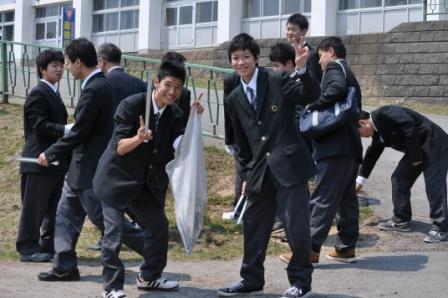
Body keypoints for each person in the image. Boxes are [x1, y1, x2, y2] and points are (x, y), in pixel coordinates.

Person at [217, 33, 319, 298]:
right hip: (260, 172)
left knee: (295, 227)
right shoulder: (234, 97)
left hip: (289, 165)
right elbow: (242, 145)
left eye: (246, 57)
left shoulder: (276, 78)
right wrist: (246, 175)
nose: (241, 62)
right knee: (253, 226)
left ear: (256, 58)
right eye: (236, 58)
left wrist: (302, 68)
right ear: (231, 61)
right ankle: (250, 279)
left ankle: (300, 283)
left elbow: (309, 94)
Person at [92, 61, 204, 298]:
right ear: (156, 82)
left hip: (144, 183)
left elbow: (178, 146)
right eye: (168, 85)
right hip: (116, 179)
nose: (173, 92)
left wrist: (194, 120)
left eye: (178, 87)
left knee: (158, 226)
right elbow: (120, 147)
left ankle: (150, 277)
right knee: (113, 235)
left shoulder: (175, 113)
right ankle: (112, 288)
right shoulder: (132, 105)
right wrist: (138, 138)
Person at [36, 38, 144, 282]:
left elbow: (79, 131)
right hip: (80, 168)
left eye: (67, 63)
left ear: (79, 62)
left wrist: (51, 153)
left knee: (104, 219)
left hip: (91, 168)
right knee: (64, 216)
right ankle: (64, 266)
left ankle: (152, 249)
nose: (66, 68)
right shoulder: (99, 84)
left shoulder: (95, 88)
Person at [280, 36, 363, 265]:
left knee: (322, 198)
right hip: (349, 147)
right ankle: (346, 248)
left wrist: (312, 106)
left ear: (331, 51)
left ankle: (308, 250)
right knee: (347, 201)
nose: (320, 62)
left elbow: (335, 89)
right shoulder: (348, 71)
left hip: (334, 147)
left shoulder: (336, 68)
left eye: (320, 56)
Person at [357, 105, 448, 243]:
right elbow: (371, 155)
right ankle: (401, 219)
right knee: (399, 178)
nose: (362, 137)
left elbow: (409, 124)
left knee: (434, 186)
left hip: (434, 144)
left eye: (359, 133)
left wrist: (416, 157)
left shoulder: (385, 113)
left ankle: (441, 228)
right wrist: (359, 182)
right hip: (416, 150)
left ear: (362, 123)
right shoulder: (378, 133)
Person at [17, 50, 69, 262]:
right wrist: (65, 129)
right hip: (38, 161)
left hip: (54, 161)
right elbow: (39, 125)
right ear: (42, 69)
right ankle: (27, 247)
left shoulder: (53, 93)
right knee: (34, 208)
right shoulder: (38, 93)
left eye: (61, 65)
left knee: (53, 207)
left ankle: (47, 246)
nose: (59, 70)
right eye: (54, 66)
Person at [286, 13, 322, 82]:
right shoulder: (286, 52)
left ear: (304, 31)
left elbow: (315, 81)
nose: (290, 33)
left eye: (294, 30)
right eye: (288, 29)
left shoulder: (312, 54)